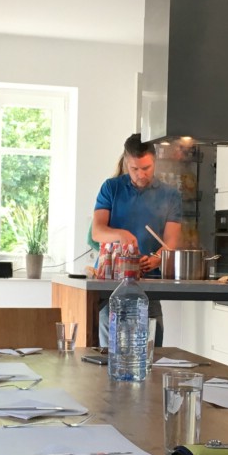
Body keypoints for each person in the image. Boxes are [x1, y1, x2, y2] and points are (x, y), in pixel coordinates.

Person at [92, 134, 182, 346]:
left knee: (150, 348)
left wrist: (158, 258)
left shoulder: (170, 195)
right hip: (111, 282)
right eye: (134, 169)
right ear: (126, 162)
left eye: (146, 168)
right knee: (110, 350)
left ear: (155, 161)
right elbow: (97, 231)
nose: (141, 174)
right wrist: (120, 234)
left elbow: (171, 241)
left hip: (148, 282)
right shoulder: (111, 188)